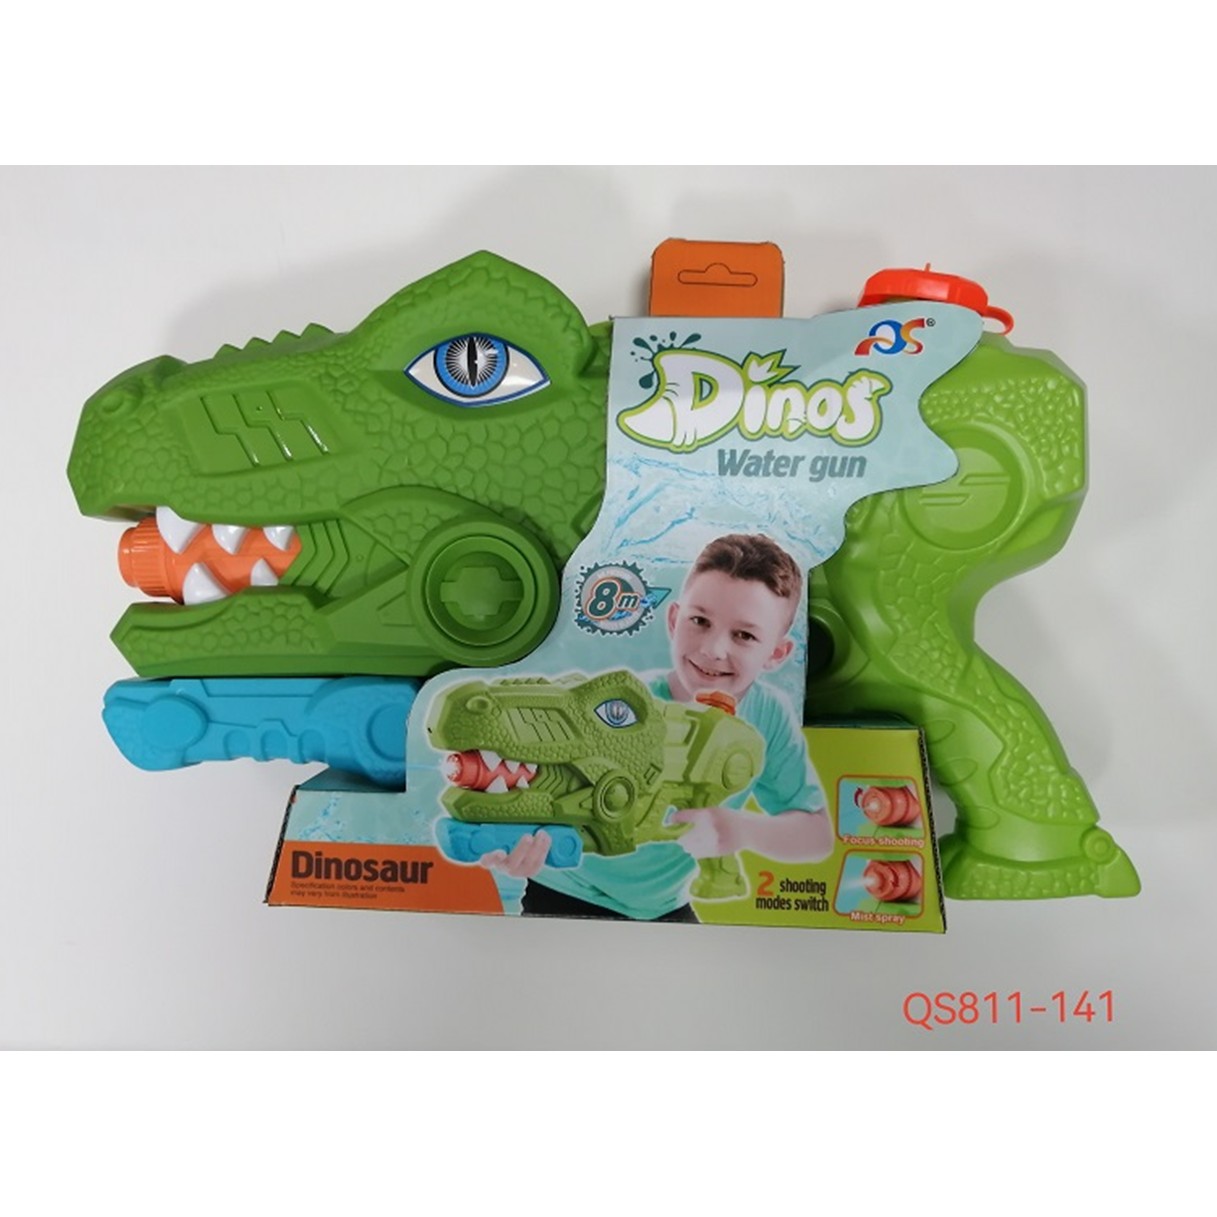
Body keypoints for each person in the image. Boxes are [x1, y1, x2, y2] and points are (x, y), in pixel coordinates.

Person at [483, 533, 833, 921]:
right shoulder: (626, 705)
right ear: (673, 620)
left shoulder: (767, 715)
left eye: (744, 635)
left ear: (777, 653)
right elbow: (534, 779)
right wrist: (506, 841)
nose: (713, 649)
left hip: (662, 906)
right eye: (700, 621)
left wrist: (740, 829)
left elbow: (817, 835)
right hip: (565, 889)